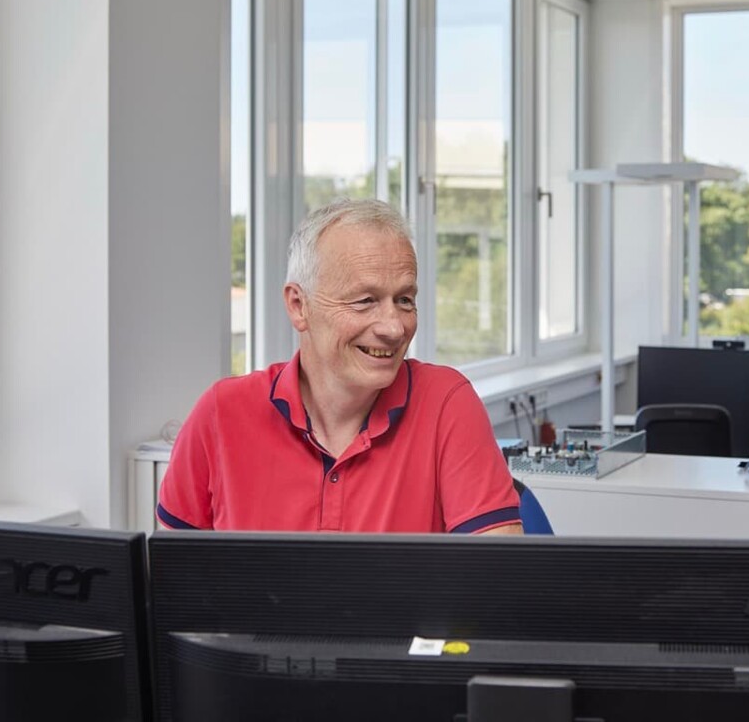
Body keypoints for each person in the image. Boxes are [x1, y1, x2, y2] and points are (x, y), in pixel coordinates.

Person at [157, 198, 523, 534]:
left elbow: (496, 576)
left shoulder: (447, 403)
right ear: (299, 306)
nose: (394, 328)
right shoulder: (221, 413)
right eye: (365, 301)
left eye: (404, 300)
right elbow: (173, 574)